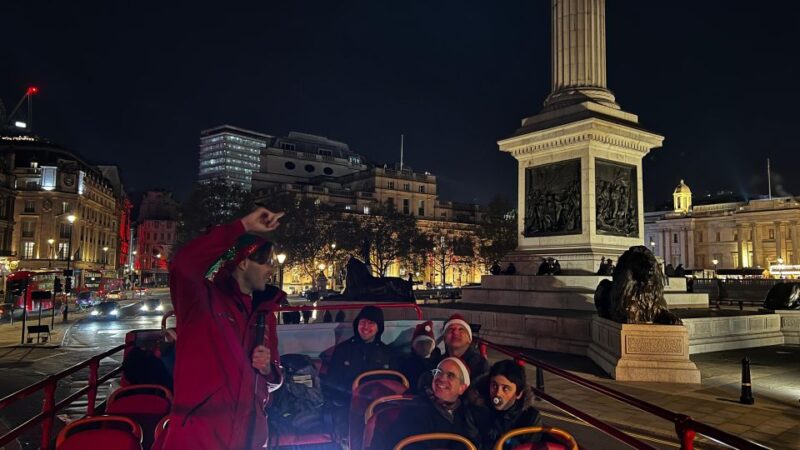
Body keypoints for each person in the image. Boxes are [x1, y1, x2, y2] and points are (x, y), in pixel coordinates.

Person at [161, 207, 285, 450]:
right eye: (265, 261)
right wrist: (241, 227)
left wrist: (269, 369)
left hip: (250, 436)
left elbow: (274, 378)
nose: (272, 269)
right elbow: (184, 265)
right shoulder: (202, 300)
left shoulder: (265, 313)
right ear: (242, 262)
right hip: (201, 436)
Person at [375, 357, 479, 450]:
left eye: (450, 375)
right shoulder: (415, 407)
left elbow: (474, 442)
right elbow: (403, 443)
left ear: (462, 388)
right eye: (438, 372)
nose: (442, 378)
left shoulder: (466, 413)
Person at [322, 305, 397, 415]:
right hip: (348, 405)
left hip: (379, 406)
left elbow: (394, 382)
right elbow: (332, 381)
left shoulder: (387, 353)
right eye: (363, 322)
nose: (366, 327)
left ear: (378, 328)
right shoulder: (343, 350)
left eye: (371, 323)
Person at [465, 360, 543, 450]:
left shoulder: (531, 417)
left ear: (519, 394)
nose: (498, 393)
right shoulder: (476, 411)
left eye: (505, 388)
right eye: (494, 385)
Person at [398, 320, 442, 393]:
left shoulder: (440, 363)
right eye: (420, 343)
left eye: (428, 342)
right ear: (414, 345)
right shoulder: (405, 363)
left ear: (433, 345)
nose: (424, 346)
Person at [441, 314, 489, 379]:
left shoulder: (480, 365)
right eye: (450, 329)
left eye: (461, 329)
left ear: (469, 339)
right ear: (444, 338)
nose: (455, 332)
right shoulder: (437, 362)